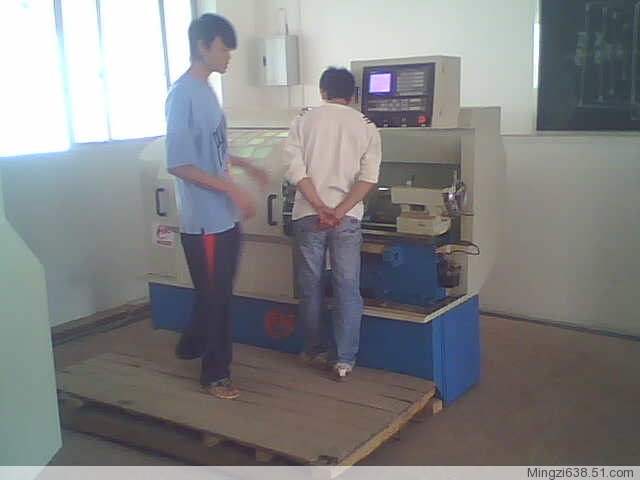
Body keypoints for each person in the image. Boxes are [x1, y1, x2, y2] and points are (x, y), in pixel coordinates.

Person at [165, 14, 268, 400]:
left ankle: (190, 345)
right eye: (224, 49)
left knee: (217, 292)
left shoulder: (207, 91)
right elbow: (179, 163)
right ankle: (215, 375)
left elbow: (212, 149)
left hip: (224, 215)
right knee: (217, 299)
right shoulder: (182, 95)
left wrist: (245, 165)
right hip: (204, 221)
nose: (228, 57)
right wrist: (232, 190)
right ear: (202, 46)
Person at [283, 67, 382, 380]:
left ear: (322, 91)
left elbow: (295, 170)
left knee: (310, 286)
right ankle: (344, 360)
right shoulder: (366, 126)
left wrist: (319, 206)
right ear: (352, 95)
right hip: (347, 218)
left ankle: (313, 349)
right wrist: (339, 211)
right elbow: (369, 178)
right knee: (347, 287)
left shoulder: (303, 120)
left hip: (308, 214)